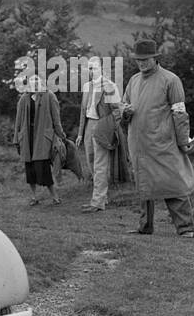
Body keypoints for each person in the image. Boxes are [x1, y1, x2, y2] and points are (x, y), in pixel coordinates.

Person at [121, 39, 194, 237]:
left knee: (173, 182)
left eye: (145, 59)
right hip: (138, 144)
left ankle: (185, 227)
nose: (142, 63)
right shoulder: (133, 81)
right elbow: (122, 106)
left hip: (163, 143)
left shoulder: (171, 80)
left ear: (155, 58)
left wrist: (183, 141)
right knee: (143, 184)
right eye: (138, 60)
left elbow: (180, 113)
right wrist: (125, 112)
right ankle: (145, 226)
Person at [77, 57, 122, 213]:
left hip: (102, 126)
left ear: (102, 69)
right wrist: (80, 134)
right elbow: (83, 111)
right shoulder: (87, 86)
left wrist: (109, 128)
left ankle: (97, 202)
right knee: (90, 162)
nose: (91, 71)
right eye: (89, 68)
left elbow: (117, 110)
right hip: (89, 125)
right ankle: (102, 196)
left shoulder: (110, 86)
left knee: (100, 164)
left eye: (94, 68)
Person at [12, 75, 66, 205]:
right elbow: (18, 121)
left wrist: (61, 135)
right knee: (29, 169)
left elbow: (56, 119)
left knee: (43, 167)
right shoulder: (24, 98)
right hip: (27, 138)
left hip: (42, 138)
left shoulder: (49, 96)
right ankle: (34, 197)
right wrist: (16, 139)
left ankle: (55, 197)